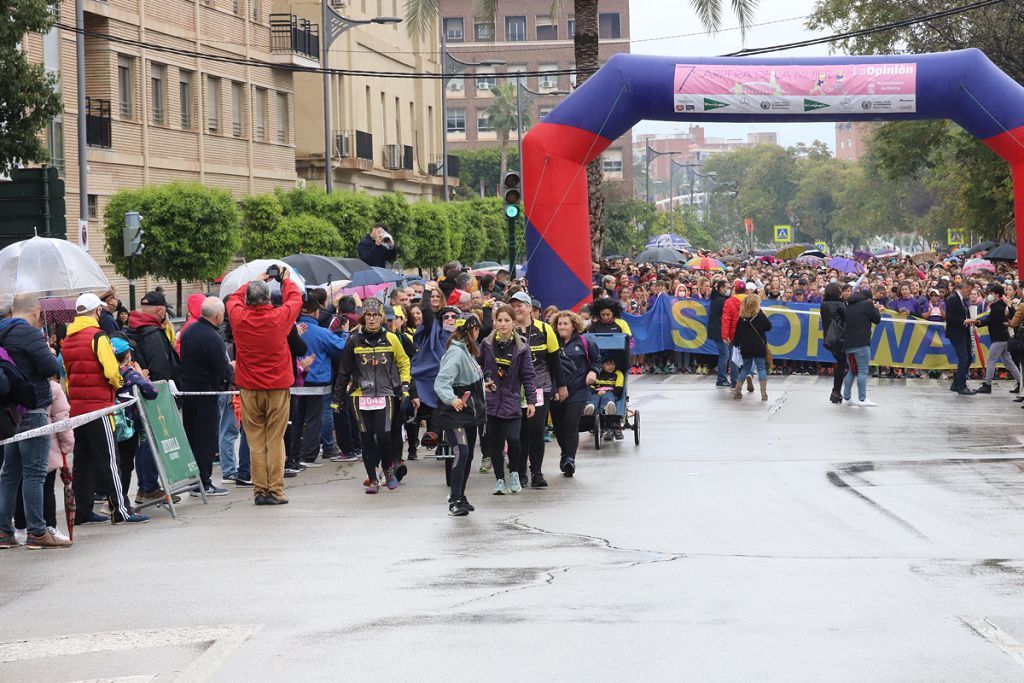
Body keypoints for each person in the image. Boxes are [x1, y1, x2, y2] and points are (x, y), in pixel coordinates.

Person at [226, 267, 303, 505]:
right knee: (275, 439)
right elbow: (296, 299)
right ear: (268, 299)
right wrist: (285, 281)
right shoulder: (279, 317)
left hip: (249, 387)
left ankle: (260, 490)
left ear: (248, 299)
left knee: (255, 440)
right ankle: (276, 490)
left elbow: (232, 299)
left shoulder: (239, 317)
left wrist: (255, 280)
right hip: (277, 386)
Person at [0, 293, 70, 549]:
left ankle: (4, 532)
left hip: (10, 411)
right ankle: (37, 531)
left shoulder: (2, 330)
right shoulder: (28, 333)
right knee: (34, 473)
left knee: (9, 473)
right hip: (33, 406)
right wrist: (49, 350)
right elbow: (50, 366)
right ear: (36, 311)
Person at [62, 293, 137, 526]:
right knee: (110, 460)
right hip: (99, 407)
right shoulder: (98, 336)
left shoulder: (68, 339)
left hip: (77, 407)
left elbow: (68, 375)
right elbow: (111, 371)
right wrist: (118, 384)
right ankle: (121, 510)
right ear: (96, 311)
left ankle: (83, 511)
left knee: (82, 461)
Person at [333, 298, 411, 494]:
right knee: (366, 438)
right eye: (368, 315)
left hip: (385, 394)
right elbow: (344, 371)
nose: (372, 319)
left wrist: (405, 385)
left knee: (384, 436)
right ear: (363, 318)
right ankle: (373, 479)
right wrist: (337, 398)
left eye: (375, 315)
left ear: (382, 317)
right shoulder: (353, 341)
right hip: (360, 395)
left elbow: (403, 363)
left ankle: (387, 469)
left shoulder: (392, 338)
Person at [478, 304, 536, 495]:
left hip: (512, 400)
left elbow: (528, 375)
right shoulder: (486, 344)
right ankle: (500, 479)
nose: (503, 324)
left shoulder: (521, 346)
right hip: (493, 400)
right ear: (494, 322)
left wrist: (531, 401)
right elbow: (477, 366)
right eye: (499, 320)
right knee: (495, 442)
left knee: (514, 439)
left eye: (507, 320)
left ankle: (514, 473)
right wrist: (483, 380)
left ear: (513, 322)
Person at [510, 291, 566, 488]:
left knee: (536, 430)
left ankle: (537, 472)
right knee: (519, 433)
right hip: (516, 390)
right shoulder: (508, 329)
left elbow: (555, 360)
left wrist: (561, 385)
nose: (517, 309)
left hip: (541, 386)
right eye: (513, 306)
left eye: (520, 305)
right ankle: (520, 472)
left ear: (529, 308)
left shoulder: (544, 329)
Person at [178, 297, 233, 496]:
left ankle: (195, 481)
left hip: (189, 391)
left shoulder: (189, 330)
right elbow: (221, 368)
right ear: (218, 315)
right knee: (206, 439)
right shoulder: (212, 336)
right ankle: (204, 481)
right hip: (206, 392)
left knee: (193, 437)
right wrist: (231, 369)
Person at [434, 313, 486, 516]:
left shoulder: (468, 351)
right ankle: (454, 500)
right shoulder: (456, 353)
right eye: (477, 328)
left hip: (469, 412)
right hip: (455, 412)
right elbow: (441, 382)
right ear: (472, 330)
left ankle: (461, 495)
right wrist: (451, 398)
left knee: (469, 454)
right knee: (461, 452)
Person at [292, 297, 348, 467]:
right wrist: (344, 332)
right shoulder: (321, 333)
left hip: (295, 380)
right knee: (313, 419)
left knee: (296, 419)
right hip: (316, 382)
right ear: (316, 312)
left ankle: (294, 454)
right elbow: (341, 347)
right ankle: (309, 455)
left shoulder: (291, 329)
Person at [110, 336, 158, 520]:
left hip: (112, 424)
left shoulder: (108, 373)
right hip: (129, 425)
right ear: (127, 355)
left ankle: (113, 502)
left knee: (115, 464)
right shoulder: (130, 373)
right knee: (126, 464)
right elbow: (152, 392)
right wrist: (140, 375)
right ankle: (122, 505)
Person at [551, 310, 598, 476]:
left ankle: (570, 458)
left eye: (565, 324)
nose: (562, 327)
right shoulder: (552, 341)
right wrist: (555, 388)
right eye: (560, 324)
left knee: (571, 423)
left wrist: (593, 372)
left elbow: (596, 360)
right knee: (559, 427)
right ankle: (565, 453)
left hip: (578, 389)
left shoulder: (585, 341)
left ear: (573, 326)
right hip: (556, 391)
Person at [975, 283, 1021, 393]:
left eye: (991, 293)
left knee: (991, 360)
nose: (989, 295)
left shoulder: (997, 306)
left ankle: (987, 384)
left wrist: (976, 322)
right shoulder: (1000, 305)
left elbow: (989, 320)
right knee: (1008, 362)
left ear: (996, 294)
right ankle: (1021, 382)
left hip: (999, 338)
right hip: (1003, 337)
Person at [839, 288, 882, 406]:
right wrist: (876, 309)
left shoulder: (849, 305)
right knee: (862, 371)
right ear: (868, 298)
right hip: (861, 343)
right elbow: (877, 320)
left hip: (848, 344)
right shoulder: (867, 304)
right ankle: (862, 399)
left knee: (852, 371)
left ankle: (846, 398)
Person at [731, 294, 772, 401]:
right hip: (759, 345)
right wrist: (764, 314)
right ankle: (763, 393)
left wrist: (735, 343)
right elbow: (769, 327)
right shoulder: (760, 315)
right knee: (761, 368)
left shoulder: (742, 318)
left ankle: (738, 390)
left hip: (746, 346)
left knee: (745, 368)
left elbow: (737, 334)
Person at [946, 280, 979, 395]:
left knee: (968, 358)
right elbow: (950, 318)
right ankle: (961, 385)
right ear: (964, 288)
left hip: (963, 332)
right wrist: (964, 321)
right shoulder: (953, 299)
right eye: (969, 291)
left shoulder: (963, 300)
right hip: (956, 333)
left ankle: (957, 383)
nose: (969, 293)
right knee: (964, 358)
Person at [722, 280, 753, 393]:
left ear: (734, 290)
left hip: (734, 334)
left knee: (734, 358)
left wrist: (725, 335)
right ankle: (748, 374)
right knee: (748, 356)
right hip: (748, 332)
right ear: (745, 290)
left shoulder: (729, 302)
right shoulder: (751, 301)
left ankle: (735, 383)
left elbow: (726, 319)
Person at [584, 354, 624, 440]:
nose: (611, 367)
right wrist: (597, 392)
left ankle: (607, 407)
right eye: (608, 364)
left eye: (613, 364)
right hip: (597, 393)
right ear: (602, 365)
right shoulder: (597, 374)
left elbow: (619, 389)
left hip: (611, 394)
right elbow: (590, 387)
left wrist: (606, 391)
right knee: (594, 397)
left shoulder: (618, 374)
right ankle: (590, 407)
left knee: (607, 395)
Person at [819, 283, 848, 404]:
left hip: (829, 337)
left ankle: (836, 392)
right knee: (843, 365)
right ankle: (836, 391)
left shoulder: (823, 304)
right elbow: (847, 317)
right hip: (840, 337)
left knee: (841, 364)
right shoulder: (839, 304)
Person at [708, 279, 733, 387]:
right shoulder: (720, 301)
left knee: (725, 354)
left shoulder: (718, 298)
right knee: (725, 354)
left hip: (718, 330)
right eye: (727, 288)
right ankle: (721, 378)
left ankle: (722, 377)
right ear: (721, 288)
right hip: (719, 331)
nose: (729, 290)